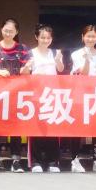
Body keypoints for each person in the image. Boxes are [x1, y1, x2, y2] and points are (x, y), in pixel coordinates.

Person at [0, 18, 31, 172]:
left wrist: (27, 68)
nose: (8, 33)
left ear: (16, 32)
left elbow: (26, 71)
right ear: (1, 30)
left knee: (16, 127)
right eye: (6, 30)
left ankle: (16, 161)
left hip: (16, 94)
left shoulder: (23, 49)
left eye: (11, 31)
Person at [20, 24, 65, 172]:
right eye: (42, 37)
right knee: (36, 129)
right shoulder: (30, 53)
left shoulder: (55, 52)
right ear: (36, 37)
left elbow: (61, 69)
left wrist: (58, 60)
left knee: (52, 128)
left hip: (52, 95)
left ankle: (52, 161)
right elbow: (23, 73)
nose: (45, 40)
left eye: (48, 38)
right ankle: (36, 162)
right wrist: (28, 67)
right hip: (36, 96)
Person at [69, 24, 96, 173]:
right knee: (78, 129)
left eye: (93, 36)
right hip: (80, 96)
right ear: (82, 37)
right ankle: (74, 160)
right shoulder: (76, 54)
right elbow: (83, 73)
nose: (90, 39)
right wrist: (87, 60)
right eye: (88, 36)